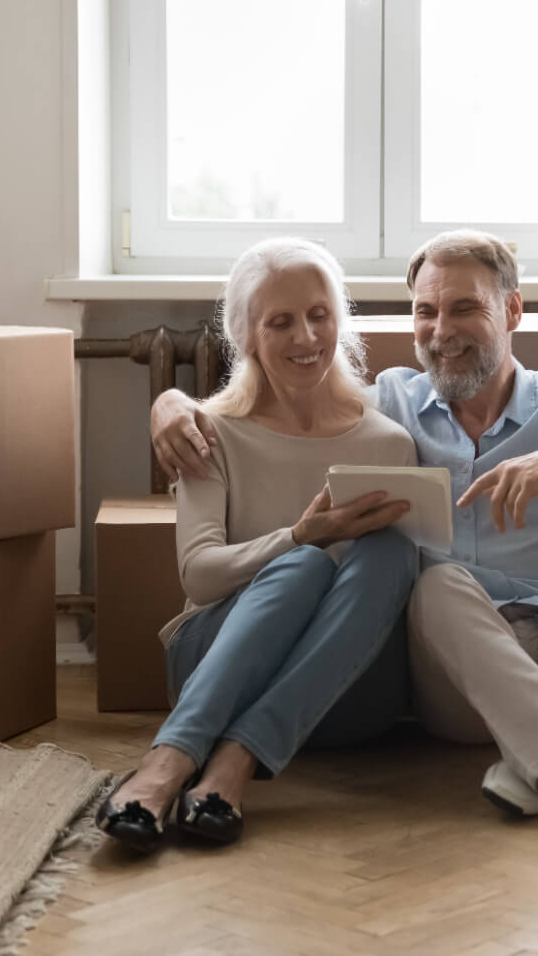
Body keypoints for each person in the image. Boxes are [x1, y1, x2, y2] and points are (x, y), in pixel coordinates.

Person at [152, 230, 538, 849]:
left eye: (465, 308)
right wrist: (170, 402)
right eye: (426, 311)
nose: (442, 329)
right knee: (436, 580)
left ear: (511, 311)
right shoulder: (390, 405)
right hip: (454, 669)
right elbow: (287, 396)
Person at [97, 237, 419, 854]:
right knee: (300, 564)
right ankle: (172, 761)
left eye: (319, 315)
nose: (306, 337)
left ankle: (236, 759)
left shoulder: (390, 441)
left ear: (339, 319)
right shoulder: (206, 432)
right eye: (281, 322)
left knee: (395, 553)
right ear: (247, 334)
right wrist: (300, 538)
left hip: (344, 695)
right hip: (211, 675)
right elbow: (199, 578)